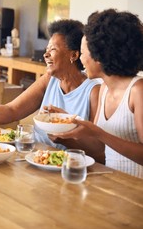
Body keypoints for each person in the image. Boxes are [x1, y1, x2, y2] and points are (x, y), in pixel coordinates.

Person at [0, 19, 101, 153]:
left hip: (67, 163)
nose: (45, 55)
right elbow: (12, 110)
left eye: (53, 49)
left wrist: (65, 136)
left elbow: (98, 150)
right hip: (34, 153)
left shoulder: (93, 91)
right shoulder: (50, 79)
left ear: (73, 55)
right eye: (46, 50)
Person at [54, 9, 143, 178]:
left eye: (83, 52)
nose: (80, 59)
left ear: (100, 55)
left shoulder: (138, 90)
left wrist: (99, 133)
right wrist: (69, 122)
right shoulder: (103, 89)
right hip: (111, 183)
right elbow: (99, 147)